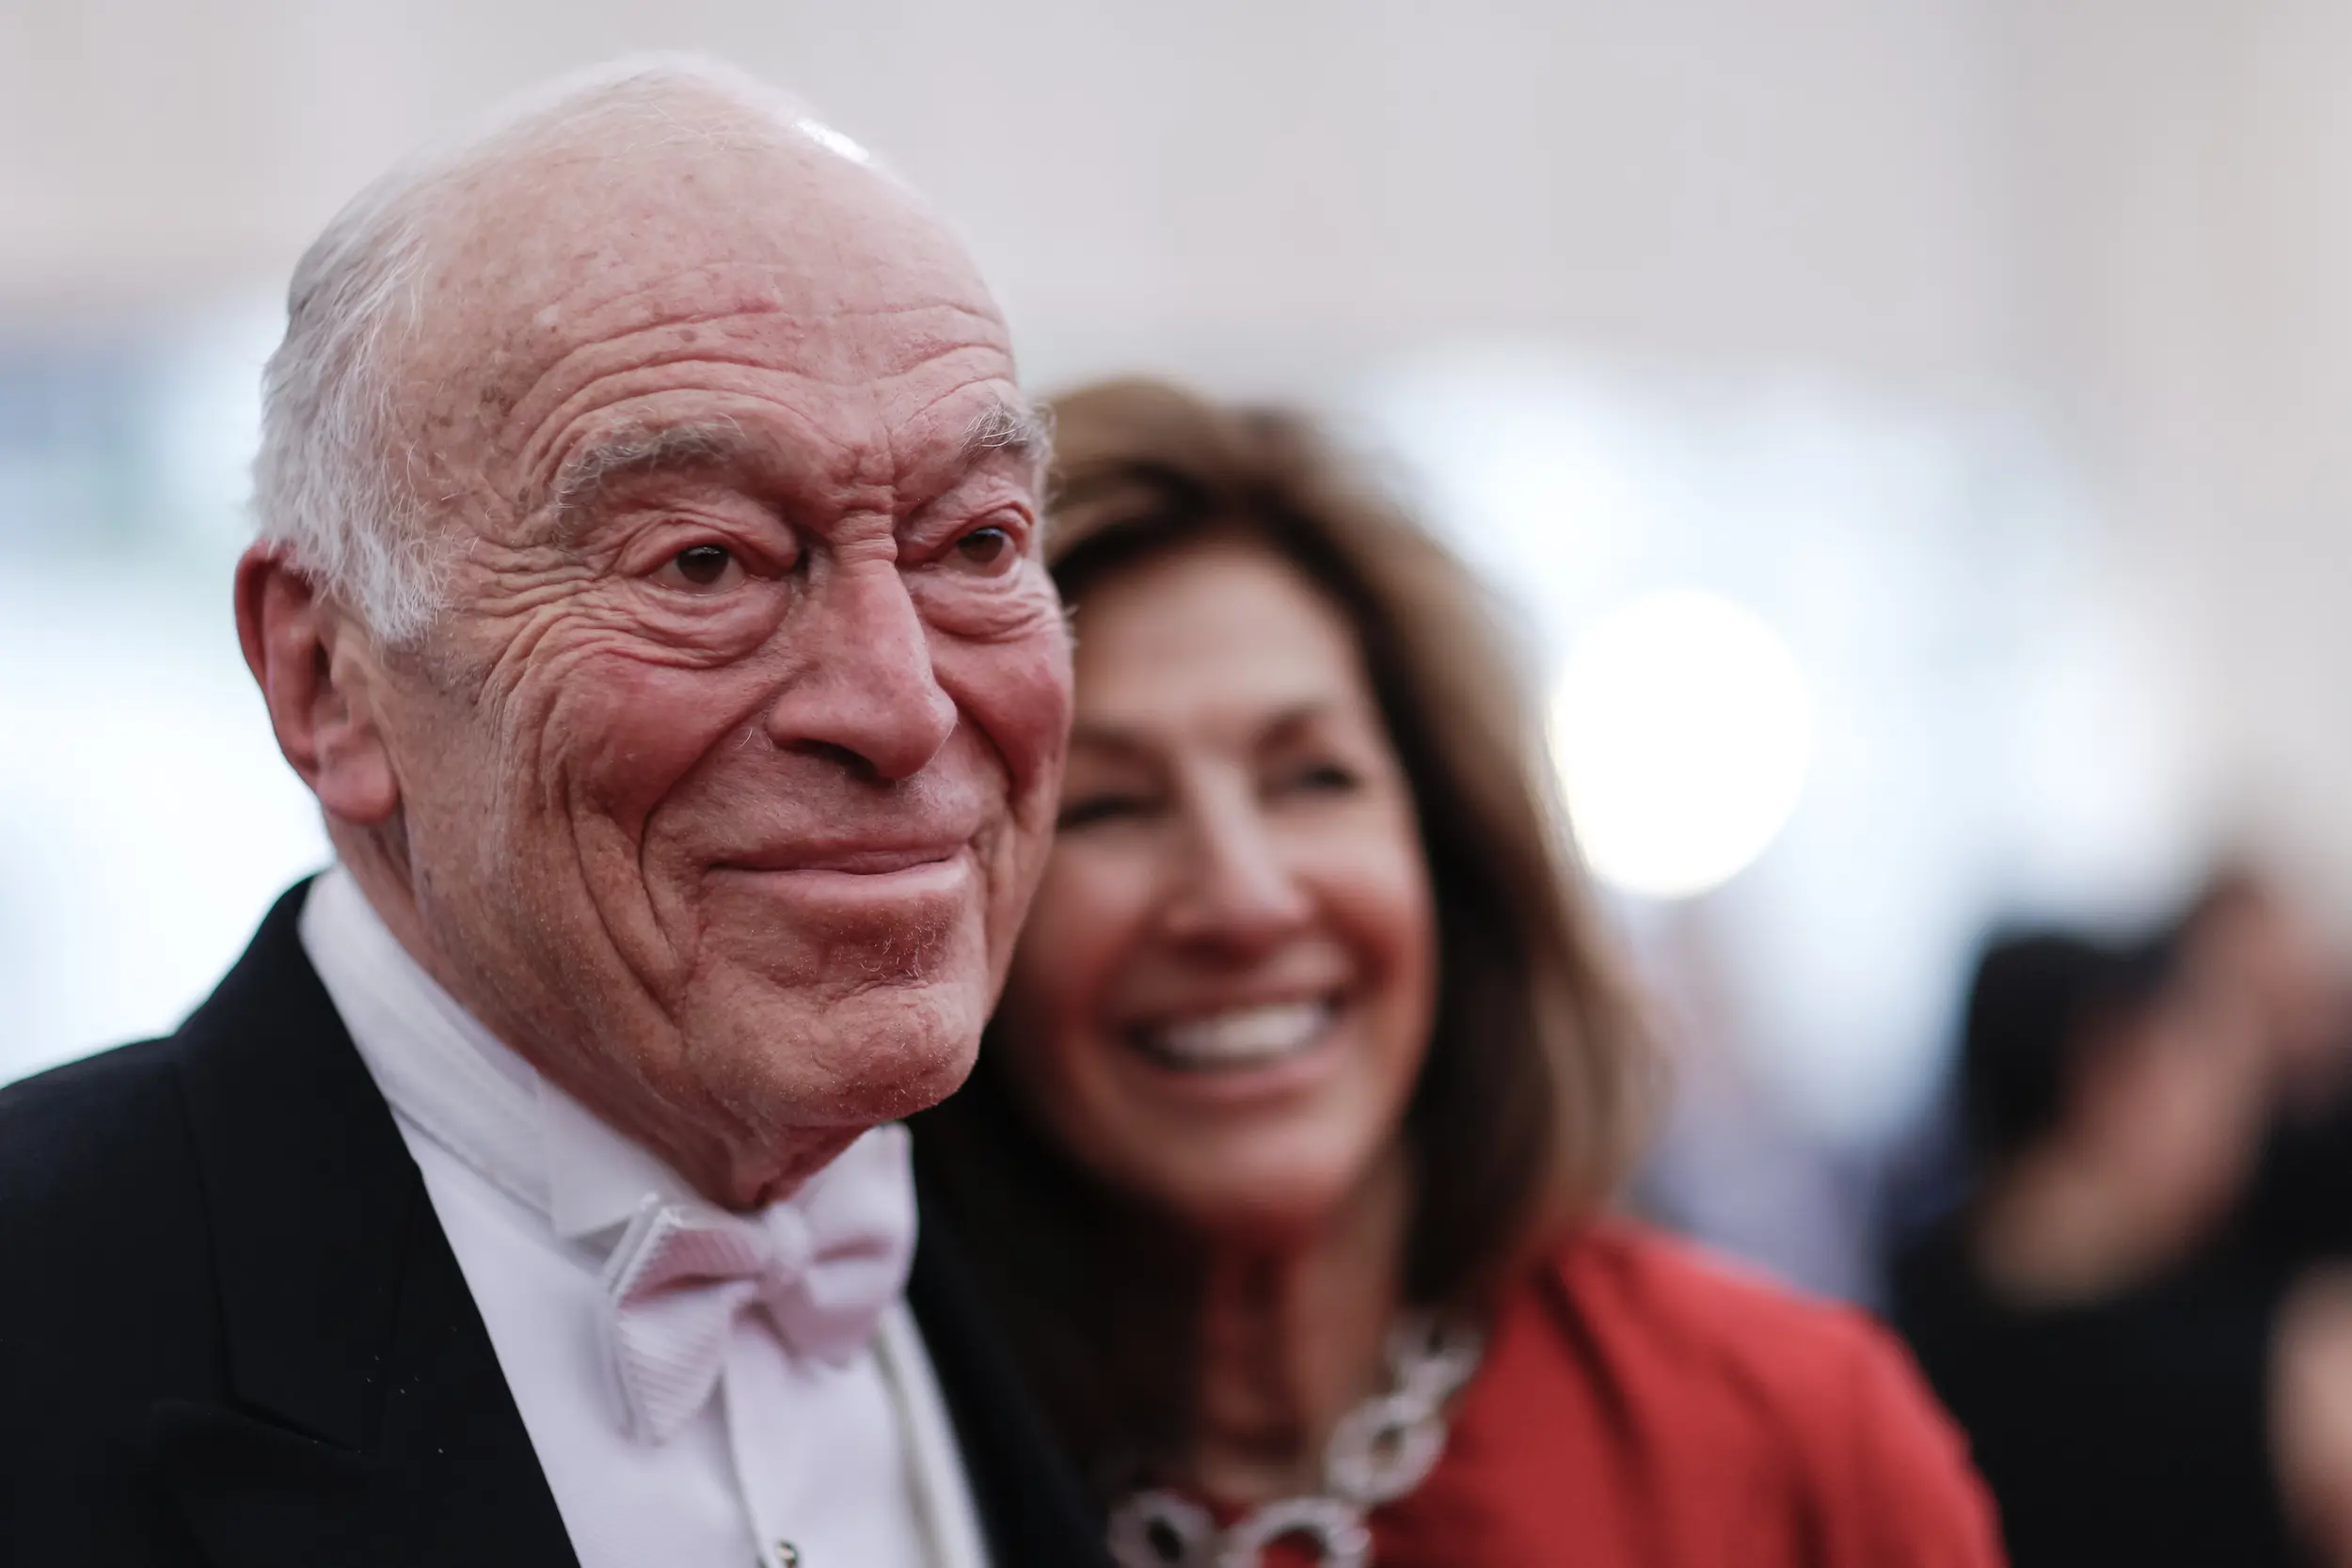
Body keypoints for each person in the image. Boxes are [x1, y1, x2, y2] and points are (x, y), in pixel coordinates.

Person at [0, 57, 1111, 1568]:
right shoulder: (45, 1312)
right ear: (327, 677)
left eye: (976, 540)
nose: (903, 704)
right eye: (704, 561)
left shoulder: (1100, 1255)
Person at [912, 378, 2003, 1568]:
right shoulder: (857, 1447)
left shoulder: (1787, 1430)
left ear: (1449, 855)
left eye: (1311, 777)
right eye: (1105, 803)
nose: (1242, 896)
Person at [1891, 928, 2291, 1566]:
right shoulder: (2269, 1379)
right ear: (2110, 1073)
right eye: (2205, 1064)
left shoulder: (1896, 1322)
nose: (2239, 1115)